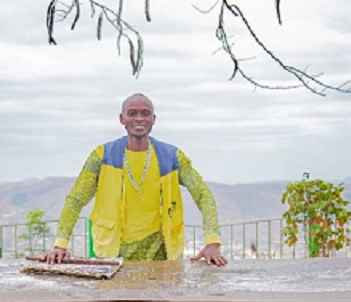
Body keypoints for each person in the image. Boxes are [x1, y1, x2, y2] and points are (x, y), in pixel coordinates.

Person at [44, 93, 227, 266]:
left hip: (161, 253)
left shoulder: (172, 157)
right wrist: (60, 245)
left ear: (153, 119)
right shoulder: (102, 156)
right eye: (132, 113)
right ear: (122, 119)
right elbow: (76, 199)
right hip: (112, 253)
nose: (139, 118)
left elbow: (203, 194)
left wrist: (212, 242)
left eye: (145, 113)